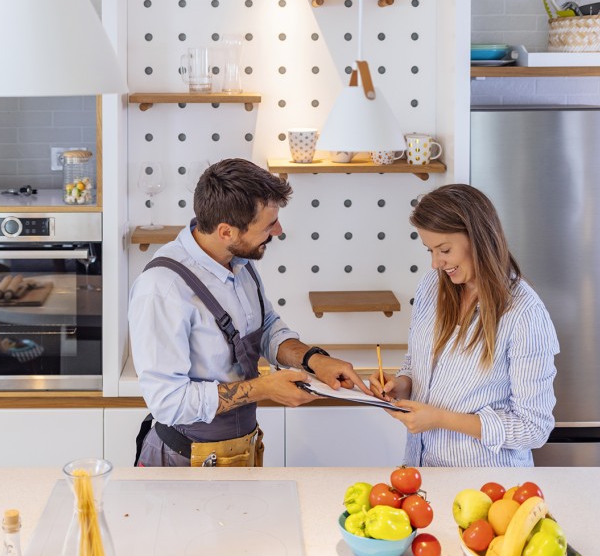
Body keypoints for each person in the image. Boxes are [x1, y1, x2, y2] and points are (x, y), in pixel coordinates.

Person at [129, 158, 370, 467]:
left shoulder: (239, 261)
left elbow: (266, 326)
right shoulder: (161, 289)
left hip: (241, 450)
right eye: (269, 225)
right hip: (183, 462)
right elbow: (168, 402)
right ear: (226, 231)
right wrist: (263, 389)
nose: (279, 230)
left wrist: (314, 360)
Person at [371, 184, 559, 467]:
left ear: (478, 238)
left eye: (444, 249)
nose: (436, 263)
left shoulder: (524, 314)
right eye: (429, 251)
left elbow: (534, 429)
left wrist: (440, 419)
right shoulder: (432, 287)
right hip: (423, 474)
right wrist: (402, 384)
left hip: (489, 488)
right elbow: (415, 361)